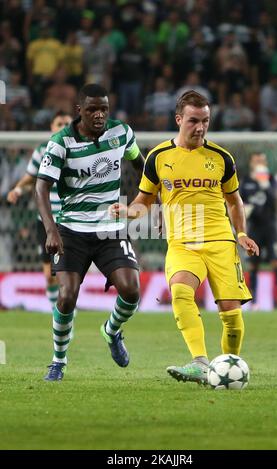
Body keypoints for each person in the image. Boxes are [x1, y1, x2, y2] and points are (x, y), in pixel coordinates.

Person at [109, 91, 259, 384]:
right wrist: (128, 211)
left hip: (220, 242)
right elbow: (145, 200)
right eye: (193, 120)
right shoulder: (158, 157)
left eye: (205, 121)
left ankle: (228, 369)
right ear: (179, 119)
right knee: (180, 292)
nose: (200, 127)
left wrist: (240, 232)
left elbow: (234, 200)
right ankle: (201, 363)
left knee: (231, 315)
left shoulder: (221, 158)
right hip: (182, 244)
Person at [36, 84, 144, 381]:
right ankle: (58, 360)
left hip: (110, 228)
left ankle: (112, 331)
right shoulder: (61, 142)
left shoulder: (121, 133)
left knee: (132, 289)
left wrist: (140, 203)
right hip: (71, 229)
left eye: (104, 109)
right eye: (93, 109)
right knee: (67, 297)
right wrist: (51, 231)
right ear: (79, 111)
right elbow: (40, 187)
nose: (99, 115)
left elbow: (141, 167)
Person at [7, 111, 72, 309]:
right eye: (59, 123)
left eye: (66, 123)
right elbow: (29, 179)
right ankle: (56, 310)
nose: (63, 126)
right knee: (49, 274)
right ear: (52, 127)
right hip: (46, 219)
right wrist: (18, 189)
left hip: (70, 218)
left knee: (68, 271)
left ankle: (66, 307)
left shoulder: (79, 150)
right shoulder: (42, 150)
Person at [240, 152, 277, 310]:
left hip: (270, 227)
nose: (260, 163)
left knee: (276, 262)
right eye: (257, 160)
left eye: (262, 160)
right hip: (254, 228)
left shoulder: (272, 179)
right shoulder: (246, 181)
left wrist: (265, 186)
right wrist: (246, 210)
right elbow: (240, 201)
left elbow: (274, 198)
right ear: (251, 163)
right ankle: (254, 302)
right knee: (253, 265)